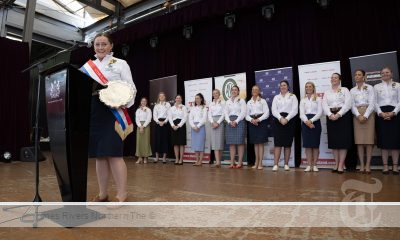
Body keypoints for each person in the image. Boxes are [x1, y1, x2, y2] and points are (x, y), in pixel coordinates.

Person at [85, 33, 136, 203]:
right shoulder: (88, 66)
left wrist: (122, 102)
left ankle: (122, 193)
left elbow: (131, 88)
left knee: (114, 154)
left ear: (111, 46)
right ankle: (103, 193)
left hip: (113, 111)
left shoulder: (121, 64)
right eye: (97, 44)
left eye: (104, 44)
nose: (100, 47)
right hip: (94, 112)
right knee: (99, 155)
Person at [322, 73, 352, 174]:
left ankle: (341, 165)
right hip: (331, 116)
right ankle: (336, 163)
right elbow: (324, 105)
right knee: (334, 142)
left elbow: (348, 104)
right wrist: (330, 115)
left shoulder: (345, 90)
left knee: (343, 142)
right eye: (332, 78)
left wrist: (339, 114)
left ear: (339, 79)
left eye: (335, 77)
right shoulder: (327, 92)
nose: (333, 79)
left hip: (342, 116)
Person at [374, 67, 400, 175]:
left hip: (395, 113)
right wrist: (381, 113)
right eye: (383, 73)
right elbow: (374, 102)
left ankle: (395, 166)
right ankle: (385, 166)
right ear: (380, 75)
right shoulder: (376, 86)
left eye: (387, 72)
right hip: (381, 114)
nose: (385, 74)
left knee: (395, 141)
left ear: (391, 73)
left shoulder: (398, 85)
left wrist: (393, 112)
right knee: (383, 141)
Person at [350, 70, 375, 174]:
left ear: (364, 76)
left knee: (369, 141)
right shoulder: (352, 90)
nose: (357, 76)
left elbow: (372, 102)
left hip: (368, 113)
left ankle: (368, 165)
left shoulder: (370, 87)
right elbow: (351, 105)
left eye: (359, 74)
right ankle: (361, 165)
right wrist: (358, 115)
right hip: (357, 114)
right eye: (355, 75)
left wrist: (365, 115)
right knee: (359, 142)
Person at [271, 80, 298, 171]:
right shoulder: (276, 97)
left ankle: (286, 164)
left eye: (284, 85)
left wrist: (287, 119)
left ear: (288, 86)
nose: (283, 87)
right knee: (277, 144)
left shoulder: (293, 96)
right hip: (278, 120)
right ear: (279, 87)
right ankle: (276, 164)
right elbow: (274, 110)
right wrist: (280, 118)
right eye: (281, 85)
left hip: (289, 121)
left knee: (287, 144)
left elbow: (295, 110)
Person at [300, 82, 322, 172]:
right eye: (306, 87)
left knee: (315, 145)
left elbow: (320, 112)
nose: (308, 88)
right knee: (308, 145)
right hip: (305, 122)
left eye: (310, 86)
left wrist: (311, 121)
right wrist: (307, 122)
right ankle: (309, 165)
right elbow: (301, 113)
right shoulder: (303, 100)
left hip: (315, 122)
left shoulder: (318, 99)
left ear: (313, 88)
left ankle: (315, 165)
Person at [246, 85, 270, 170]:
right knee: (255, 143)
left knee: (260, 143)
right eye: (253, 89)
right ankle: (256, 161)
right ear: (251, 91)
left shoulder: (263, 101)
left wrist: (258, 120)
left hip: (261, 122)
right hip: (252, 122)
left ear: (259, 91)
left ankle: (260, 162)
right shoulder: (249, 102)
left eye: (256, 89)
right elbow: (246, 115)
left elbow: (267, 113)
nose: (254, 91)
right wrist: (252, 120)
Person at [224, 85, 247, 169]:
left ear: (238, 91)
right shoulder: (227, 101)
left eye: (235, 90)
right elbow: (225, 113)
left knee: (240, 143)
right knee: (231, 144)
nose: (234, 91)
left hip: (239, 122)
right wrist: (230, 122)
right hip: (230, 122)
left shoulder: (241, 101)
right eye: (232, 90)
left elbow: (243, 112)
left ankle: (240, 162)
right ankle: (232, 162)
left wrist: (236, 121)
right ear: (231, 91)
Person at [189, 93, 208, 166]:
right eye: (195, 98)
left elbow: (204, 118)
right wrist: (193, 126)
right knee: (195, 145)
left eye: (198, 98)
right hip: (194, 127)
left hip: (201, 127)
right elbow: (190, 118)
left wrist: (198, 126)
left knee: (200, 144)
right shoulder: (193, 108)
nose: (196, 100)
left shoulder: (204, 107)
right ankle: (196, 160)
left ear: (201, 99)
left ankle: (200, 161)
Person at [168, 94, 188, 165]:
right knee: (175, 143)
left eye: (179, 98)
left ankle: (181, 159)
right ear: (175, 99)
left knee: (181, 143)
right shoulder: (171, 108)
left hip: (181, 125)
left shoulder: (184, 107)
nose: (178, 99)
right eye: (177, 98)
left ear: (181, 100)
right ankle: (176, 159)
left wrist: (179, 125)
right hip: (173, 125)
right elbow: (170, 117)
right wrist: (173, 125)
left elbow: (185, 117)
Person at [208, 89, 225, 168]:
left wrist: (218, 122)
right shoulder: (211, 104)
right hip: (212, 122)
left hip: (220, 122)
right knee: (214, 142)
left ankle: (219, 161)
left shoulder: (223, 102)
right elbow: (209, 114)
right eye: (214, 93)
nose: (215, 94)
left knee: (220, 142)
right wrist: (212, 122)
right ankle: (217, 161)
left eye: (216, 93)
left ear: (219, 94)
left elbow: (224, 114)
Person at [153, 92, 171, 164]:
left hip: (165, 123)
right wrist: (158, 122)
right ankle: (157, 157)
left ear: (165, 97)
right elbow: (154, 115)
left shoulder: (168, 104)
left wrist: (164, 122)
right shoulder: (156, 105)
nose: (161, 97)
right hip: (158, 123)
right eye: (160, 96)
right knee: (157, 140)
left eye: (163, 96)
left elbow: (169, 114)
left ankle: (164, 158)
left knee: (165, 140)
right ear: (159, 97)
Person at [135, 97, 152, 164]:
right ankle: (139, 158)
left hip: (146, 126)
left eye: (145, 101)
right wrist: (140, 126)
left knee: (146, 141)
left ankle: (145, 157)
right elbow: (136, 119)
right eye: (142, 101)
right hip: (139, 126)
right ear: (140, 102)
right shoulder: (138, 110)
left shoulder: (148, 110)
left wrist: (143, 126)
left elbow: (149, 118)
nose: (143, 102)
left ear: (146, 102)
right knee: (139, 141)